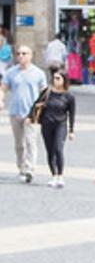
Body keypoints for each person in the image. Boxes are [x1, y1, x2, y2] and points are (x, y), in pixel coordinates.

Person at [2, 47, 47, 183]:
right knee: (19, 144)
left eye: (24, 53)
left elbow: (44, 93)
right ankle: (21, 167)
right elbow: (3, 88)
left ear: (31, 55)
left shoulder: (38, 73)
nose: (21, 56)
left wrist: (40, 110)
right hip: (15, 112)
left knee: (30, 141)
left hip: (32, 113)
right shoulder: (11, 73)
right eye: (18, 53)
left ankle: (29, 169)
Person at [36, 68, 74, 189]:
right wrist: (30, 117)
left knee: (58, 148)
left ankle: (61, 176)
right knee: (50, 151)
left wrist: (72, 130)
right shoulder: (47, 92)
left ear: (64, 80)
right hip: (46, 124)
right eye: (54, 78)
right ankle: (53, 175)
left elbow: (72, 114)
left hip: (61, 124)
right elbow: (36, 104)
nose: (55, 80)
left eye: (58, 78)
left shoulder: (69, 96)